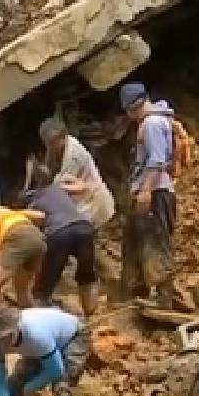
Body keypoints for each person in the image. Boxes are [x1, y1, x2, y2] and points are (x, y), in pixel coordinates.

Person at [119, 83, 177, 305]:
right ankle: (140, 291)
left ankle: (163, 297)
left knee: (155, 241)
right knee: (140, 240)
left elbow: (157, 160)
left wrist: (146, 191)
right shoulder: (155, 120)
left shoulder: (152, 123)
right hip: (153, 189)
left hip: (155, 191)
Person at [23, 167, 99, 316]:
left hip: (59, 232)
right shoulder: (59, 190)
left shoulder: (32, 200)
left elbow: (37, 225)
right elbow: (85, 189)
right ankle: (91, 317)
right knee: (87, 276)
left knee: (46, 283)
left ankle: (38, 316)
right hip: (83, 227)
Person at [38, 118, 114, 230]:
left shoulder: (74, 155)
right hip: (79, 197)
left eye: (52, 143)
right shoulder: (57, 146)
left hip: (92, 200)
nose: (50, 147)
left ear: (60, 138)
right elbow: (49, 167)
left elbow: (59, 186)